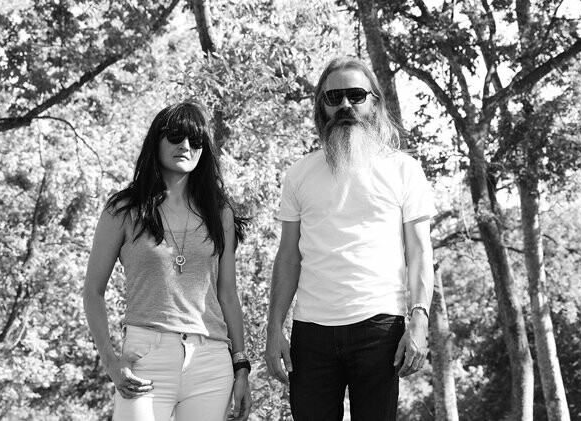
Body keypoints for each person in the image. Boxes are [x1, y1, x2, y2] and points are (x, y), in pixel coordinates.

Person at [265, 57, 436, 420]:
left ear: (374, 102)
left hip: (380, 328)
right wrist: (274, 328)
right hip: (311, 333)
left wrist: (419, 319)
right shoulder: (299, 174)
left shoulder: (404, 170)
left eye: (356, 95)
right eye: (334, 97)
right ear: (321, 107)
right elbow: (288, 257)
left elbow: (420, 253)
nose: (345, 104)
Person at [83, 101, 251, 421]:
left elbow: (227, 293)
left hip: (211, 361)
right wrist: (111, 362)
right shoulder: (123, 210)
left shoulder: (220, 213)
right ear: (156, 141)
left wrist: (241, 365)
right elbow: (93, 291)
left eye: (195, 140)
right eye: (175, 136)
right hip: (146, 357)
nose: (185, 145)